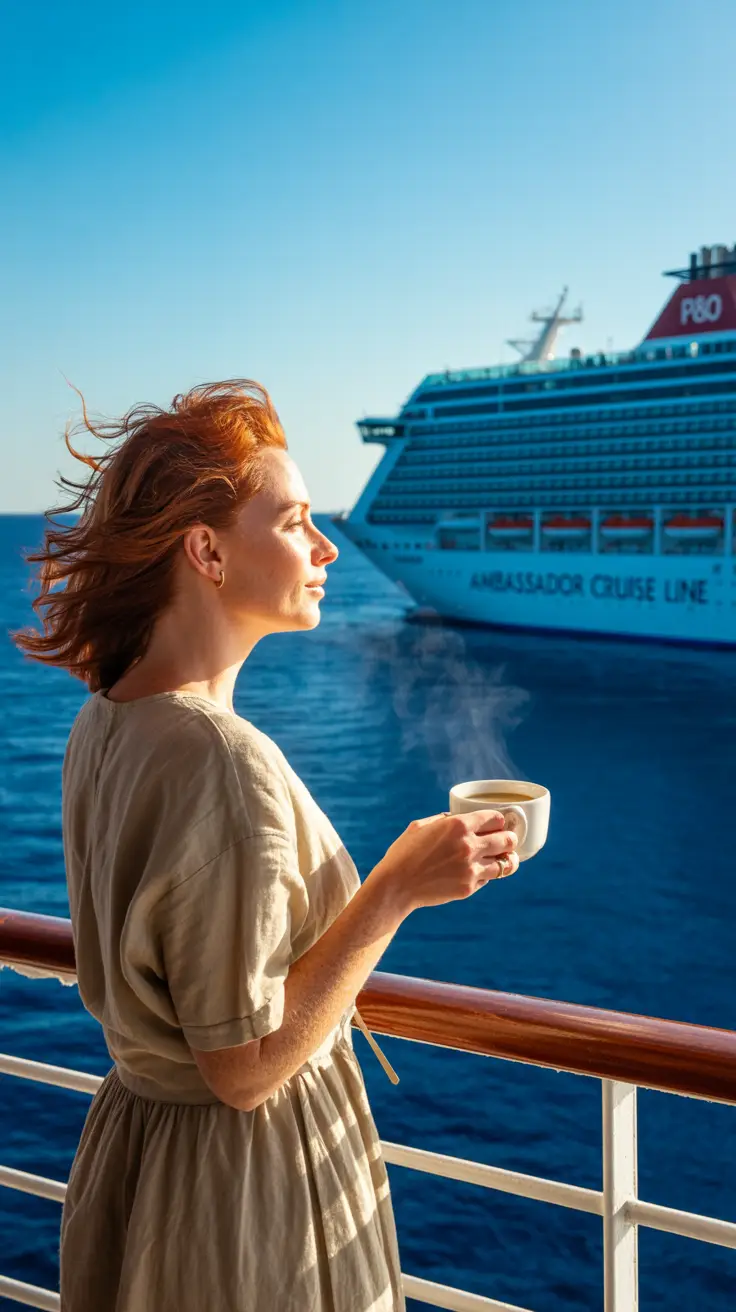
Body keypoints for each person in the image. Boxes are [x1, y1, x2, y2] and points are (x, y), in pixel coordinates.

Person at [12, 379, 519, 1312]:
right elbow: (242, 1068)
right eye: (293, 522)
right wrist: (396, 889)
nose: (327, 547)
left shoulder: (107, 717)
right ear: (206, 550)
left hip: (143, 1158)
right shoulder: (219, 758)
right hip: (241, 1191)